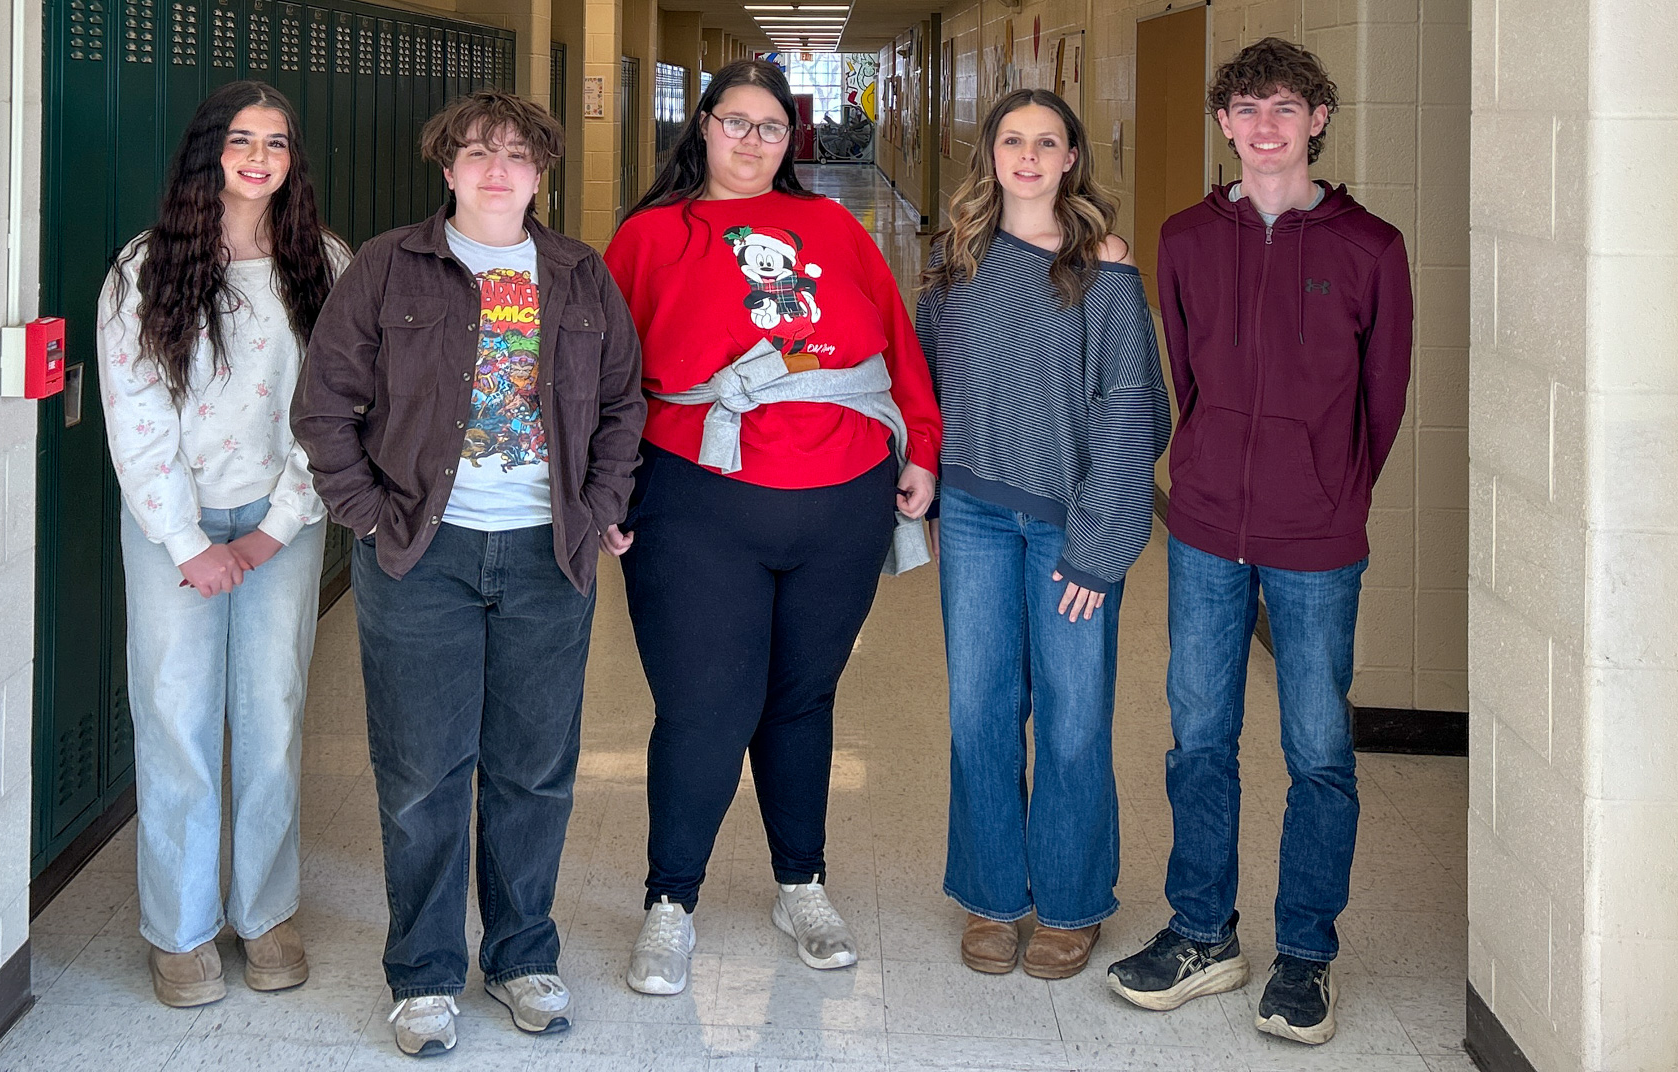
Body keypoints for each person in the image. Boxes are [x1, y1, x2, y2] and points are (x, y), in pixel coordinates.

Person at [291, 90, 645, 1057]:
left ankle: (524, 956)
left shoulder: (578, 275)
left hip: (546, 552)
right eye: (478, 154)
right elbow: (324, 406)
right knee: (421, 773)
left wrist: (602, 506)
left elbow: (622, 404)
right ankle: (424, 975)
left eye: (519, 155)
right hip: (421, 552)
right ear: (446, 169)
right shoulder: (386, 267)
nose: (499, 170)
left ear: (542, 173)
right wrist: (368, 514)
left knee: (535, 772)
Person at [603, 58, 942, 997]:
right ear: (701, 126)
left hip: (843, 498)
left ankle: (802, 882)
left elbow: (895, 344)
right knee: (706, 708)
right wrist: (603, 492)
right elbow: (603, 374)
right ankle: (671, 902)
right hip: (697, 500)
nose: (752, 140)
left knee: (802, 699)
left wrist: (922, 449)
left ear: (791, 139)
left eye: (771, 127)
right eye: (735, 122)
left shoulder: (832, 225)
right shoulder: (650, 235)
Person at [1104, 38, 1413, 1046]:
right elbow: (1187, 378)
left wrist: (1325, 493)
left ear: (1316, 119)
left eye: (1284, 106)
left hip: (1315, 535)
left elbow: (1382, 402)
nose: (1263, 125)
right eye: (1243, 108)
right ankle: (1202, 934)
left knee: (1318, 751)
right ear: (1224, 123)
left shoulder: (1370, 247)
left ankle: (1305, 956)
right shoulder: (1185, 237)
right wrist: (1210, 475)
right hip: (1199, 529)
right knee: (1198, 739)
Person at [96, 80, 346, 1008]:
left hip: (282, 521)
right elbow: (137, 418)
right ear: (209, 151)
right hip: (174, 529)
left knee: (273, 723)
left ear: (292, 161)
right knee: (176, 721)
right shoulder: (145, 268)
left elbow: (335, 408)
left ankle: (267, 912)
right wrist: (185, 540)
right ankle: (181, 928)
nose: (259, 157)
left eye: (276, 143)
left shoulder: (322, 263)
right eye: (241, 139)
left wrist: (278, 527)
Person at [915, 89, 1169, 981]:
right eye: (1012, 140)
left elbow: (1135, 414)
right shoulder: (953, 263)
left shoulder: (1103, 265)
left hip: (1072, 527)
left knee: (1071, 720)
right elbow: (928, 391)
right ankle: (991, 895)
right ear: (990, 154)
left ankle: (1070, 901)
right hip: (977, 517)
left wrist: (1100, 549)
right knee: (980, 711)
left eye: (1046, 142)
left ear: (1070, 158)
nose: (1027, 156)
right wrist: (934, 497)